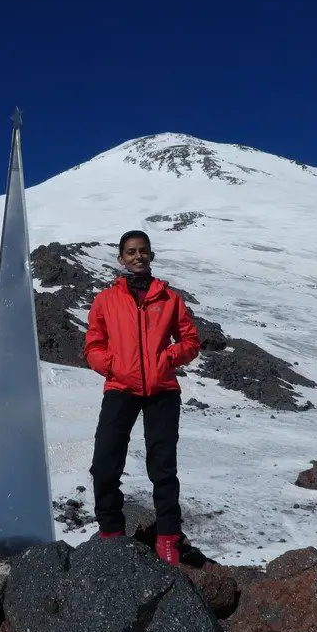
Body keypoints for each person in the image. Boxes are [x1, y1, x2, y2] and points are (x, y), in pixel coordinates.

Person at [83, 230, 202, 565]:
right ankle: (111, 533)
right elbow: (93, 343)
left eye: (143, 251)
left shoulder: (169, 298)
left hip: (162, 391)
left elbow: (191, 340)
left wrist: (167, 358)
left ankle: (167, 538)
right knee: (105, 463)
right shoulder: (106, 300)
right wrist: (112, 366)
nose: (138, 256)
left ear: (151, 256)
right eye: (131, 252)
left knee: (163, 467)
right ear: (121, 258)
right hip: (120, 388)